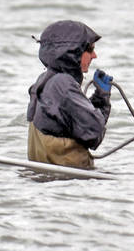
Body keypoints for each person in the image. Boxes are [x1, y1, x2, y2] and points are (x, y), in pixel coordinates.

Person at [25, 19, 111, 169]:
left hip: (45, 179)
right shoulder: (63, 84)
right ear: (73, 52)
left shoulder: (43, 80)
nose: (94, 56)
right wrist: (102, 99)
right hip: (70, 180)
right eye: (90, 49)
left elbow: (81, 125)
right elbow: (94, 134)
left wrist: (98, 98)